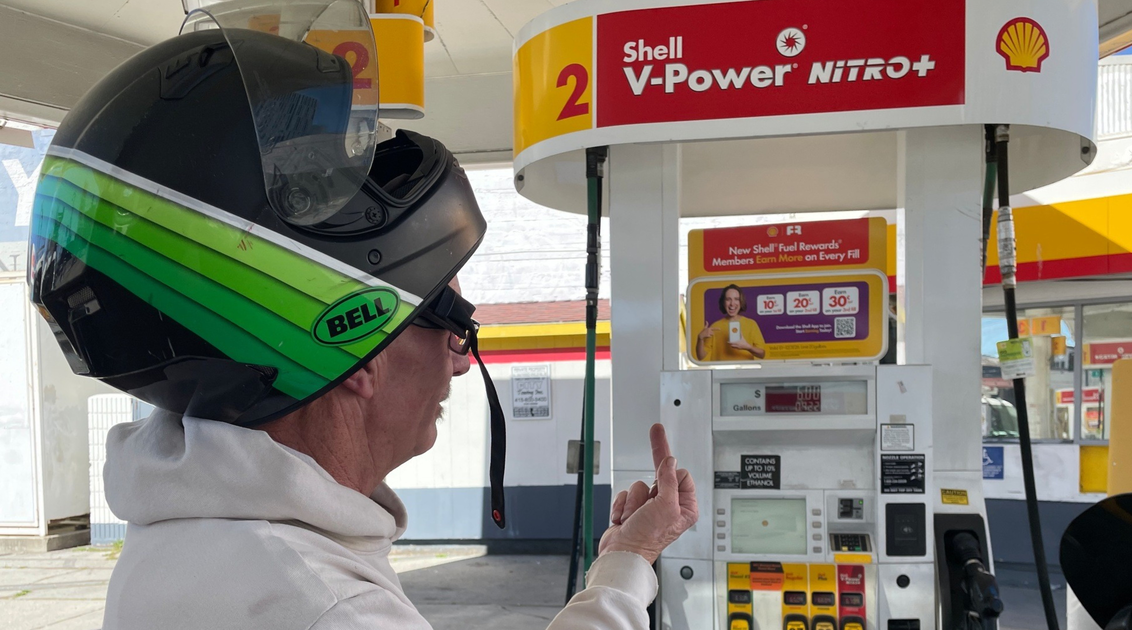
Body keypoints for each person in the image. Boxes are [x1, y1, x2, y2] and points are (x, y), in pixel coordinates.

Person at [27, 3, 698, 628]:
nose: (463, 360)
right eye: (451, 320)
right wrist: (627, 568)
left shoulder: (181, 546)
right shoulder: (323, 604)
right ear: (355, 342)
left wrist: (622, 560)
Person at [696, 284, 767, 361]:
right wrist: (700, 339)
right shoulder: (715, 326)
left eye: (736, 299)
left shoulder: (751, 324)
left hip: (745, 372)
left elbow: (762, 354)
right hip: (721, 372)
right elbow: (701, 356)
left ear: (741, 302)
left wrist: (748, 347)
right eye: (728, 299)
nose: (732, 303)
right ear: (723, 302)